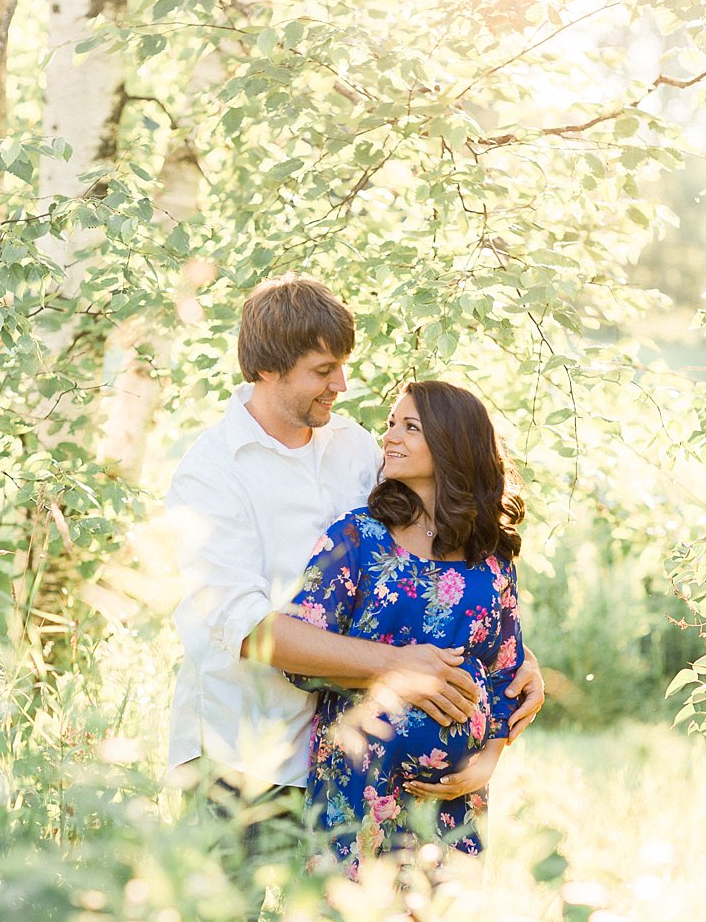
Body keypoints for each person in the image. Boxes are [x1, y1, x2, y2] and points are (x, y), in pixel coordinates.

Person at [167, 275, 544, 848]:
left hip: (346, 759)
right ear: (269, 367)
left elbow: (425, 569)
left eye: (341, 366)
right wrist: (399, 665)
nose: (341, 384)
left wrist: (509, 654)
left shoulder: (355, 447)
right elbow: (247, 631)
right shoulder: (210, 472)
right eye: (323, 370)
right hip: (240, 753)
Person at [283, 380, 525, 876]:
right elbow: (298, 656)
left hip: (452, 807)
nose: (390, 436)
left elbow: (506, 674)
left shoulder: (492, 558)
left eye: (410, 427)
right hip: (357, 788)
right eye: (392, 423)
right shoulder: (357, 538)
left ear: (452, 443)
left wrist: (486, 762)